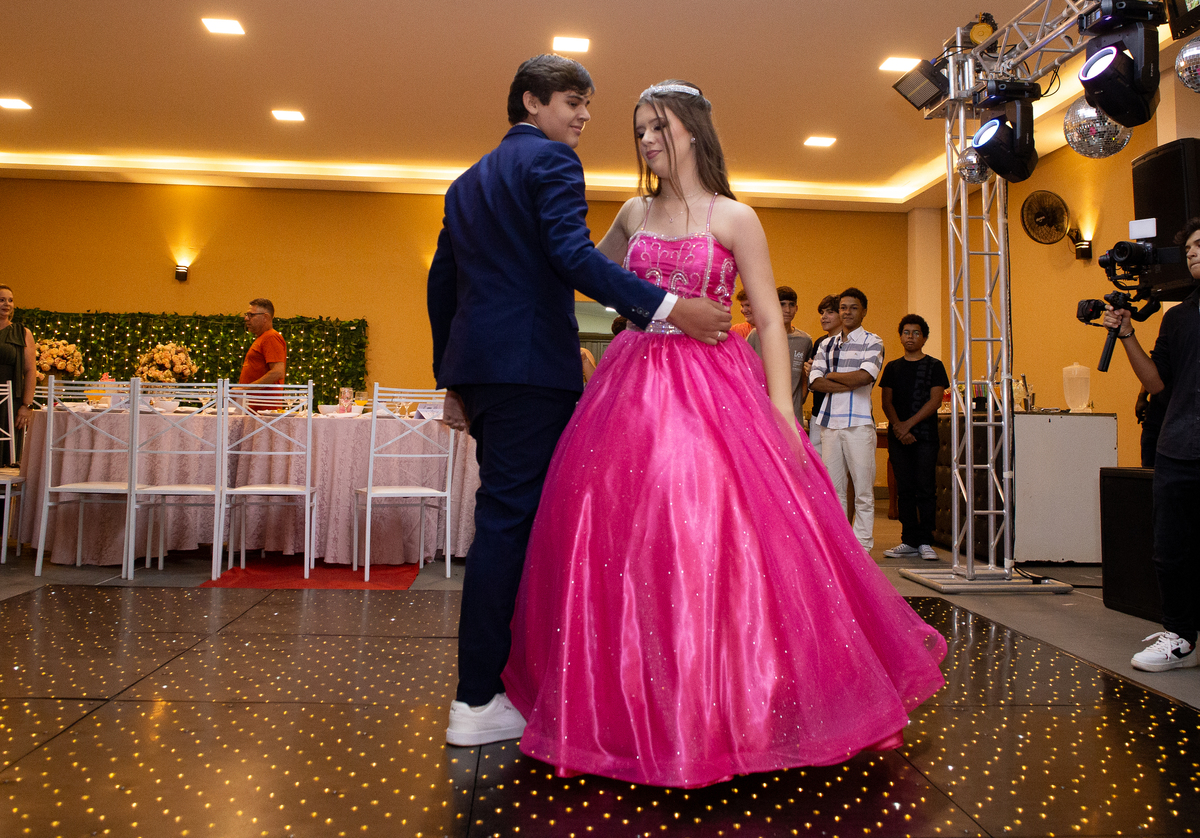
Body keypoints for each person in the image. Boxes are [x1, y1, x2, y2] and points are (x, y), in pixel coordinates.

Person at [502, 80, 946, 789]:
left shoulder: (735, 217)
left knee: (717, 531)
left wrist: (780, 412)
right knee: (626, 536)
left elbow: (767, 318)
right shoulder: (634, 211)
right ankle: (633, 699)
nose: (647, 140)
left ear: (694, 132)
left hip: (715, 386)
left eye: (659, 127)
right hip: (631, 387)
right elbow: (583, 271)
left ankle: (732, 703)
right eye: (640, 130)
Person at [426, 56, 731, 748]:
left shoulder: (466, 181)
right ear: (531, 102)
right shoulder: (553, 162)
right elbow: (572, 256)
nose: (584, 116)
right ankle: (479, 698)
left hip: (485, 373)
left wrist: (453, 379)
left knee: (509, 521)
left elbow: (443, 283)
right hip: (533, 368)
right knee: (514, 525)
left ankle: (507, 684)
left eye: (587, 104)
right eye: (572, 101)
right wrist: (670, 306)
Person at [1103, 218, 1200, 672]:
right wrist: (1127, 334)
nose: (1193, 251)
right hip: (1179, 447)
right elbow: (1157, 383)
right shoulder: (1178, 316)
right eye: (1190, 246)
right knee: (1171, 549)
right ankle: (1180, 637)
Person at [809, 288, 884, 549]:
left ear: (864, 312)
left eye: (853, 308)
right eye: (843, 307)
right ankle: (840, 546)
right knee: (835, 491)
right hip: (829, 424)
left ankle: (862, 546)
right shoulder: (826, 344)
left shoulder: (873, 341)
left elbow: (865, 377)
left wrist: (831, 375)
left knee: (863, 491)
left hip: (859, 424)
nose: (847, 312)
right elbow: (814, 382)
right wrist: (846, 380)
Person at [880, 314, 948, 561]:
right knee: (905, 488)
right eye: (906, 332)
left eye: (916, 333)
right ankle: (908, 540)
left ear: (924, 338)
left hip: (925, 437)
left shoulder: (935, 365)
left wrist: (907, 425)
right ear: (900, 336)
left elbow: (936, 400)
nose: (910, 337)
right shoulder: (892, 367)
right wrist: (899, 428)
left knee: (925, 487)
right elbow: (886, 401)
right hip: (898, 437)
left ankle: (926, 541)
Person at [747, 285, 813, 423]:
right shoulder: (756, 335)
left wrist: (801, 398)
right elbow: (743, 369)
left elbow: (805, 375)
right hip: (762, 414)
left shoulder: (805, 340)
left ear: (796, 308)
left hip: (792, 416)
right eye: (782, 304)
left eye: (791, 305)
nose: (787, 310)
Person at [0, 285, 36, 466]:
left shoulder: (22, 333)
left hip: (9, 401)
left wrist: (26, 405)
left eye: (10, 300)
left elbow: (30, 371)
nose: (6, 304)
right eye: (1, 300)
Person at [805, 294, 842, 458]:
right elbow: (813, 380)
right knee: (817, 463)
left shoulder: (848, 343)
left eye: (830, 312)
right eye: (822, 313)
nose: (824, 317)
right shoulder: (819, 342)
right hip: (818, 411)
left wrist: (820, 374)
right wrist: (810, 373)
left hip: (840, 413)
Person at [238, 298, 286, 385]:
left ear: (265, 317)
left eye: (251, 315)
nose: (246, 318)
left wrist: (245, 389)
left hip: (260, 395)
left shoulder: (270, 337)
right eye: (247, 315)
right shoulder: (263, 337)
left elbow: (278, 372)